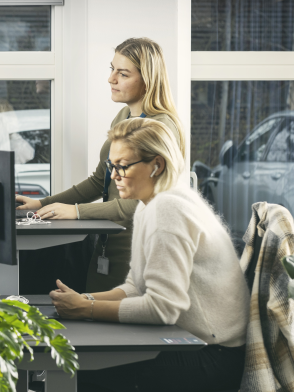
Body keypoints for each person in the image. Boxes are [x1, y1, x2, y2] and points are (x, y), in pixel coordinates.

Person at [46, 118, 249, 392]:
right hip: (196, 343)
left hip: (213, 355)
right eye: (111, 166)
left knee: (69, 370)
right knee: (77, 380)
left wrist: (86, 309)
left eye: (123, 166)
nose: (113, 176)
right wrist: (84, 299)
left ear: (156, 165)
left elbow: (162, 308)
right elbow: (136, 286)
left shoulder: (168, 210)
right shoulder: (150, 205)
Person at [16, 37, 185, 293]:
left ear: (148, 79)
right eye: (112, 69)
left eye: (123, 73)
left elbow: (144, 202)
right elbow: (99, 180)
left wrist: (77, 212)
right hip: (109, 239)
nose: (111, 79)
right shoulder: (124, 116)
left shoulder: (161, 127)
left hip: (138, 247)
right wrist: (42, 204)